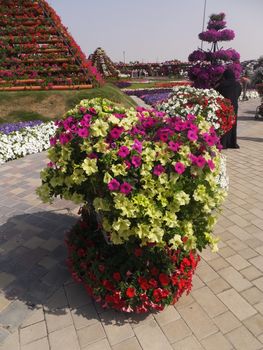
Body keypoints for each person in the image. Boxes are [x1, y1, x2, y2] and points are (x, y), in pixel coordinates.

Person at [216, 69, 242, 149]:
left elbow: (217, 94)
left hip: (224, 106)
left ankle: (223, 143)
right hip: (234, 106)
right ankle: (232, 143)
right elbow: (238, 94)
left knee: (224, 124)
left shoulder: (222, 85)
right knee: (233, 124)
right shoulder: (238, 84)